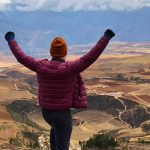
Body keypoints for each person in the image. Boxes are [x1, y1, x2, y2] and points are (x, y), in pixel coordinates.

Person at [5, 29, 115, 150]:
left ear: (51, 52)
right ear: (65, 52)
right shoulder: (70, 68)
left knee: (55, 138)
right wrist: (106, 37)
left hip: (46, 113)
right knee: (62, 146)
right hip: (62, 114)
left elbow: (21, 57)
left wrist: (11, 39)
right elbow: (91, 57)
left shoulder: (40, 66)